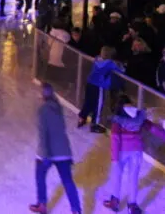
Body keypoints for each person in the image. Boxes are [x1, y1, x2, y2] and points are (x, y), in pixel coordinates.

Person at [102, 94, 165, 214]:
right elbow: (152, 128)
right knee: (133, 178)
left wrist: (114, 157)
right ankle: (132, 205)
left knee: (117, 176)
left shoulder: (118, 118)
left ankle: (114, 202)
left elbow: (116, 138)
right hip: (136, 151)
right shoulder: (139, 116)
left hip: (122, 151)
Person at [28, 82, 82, 214]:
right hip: (64, 151)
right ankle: (76, 210)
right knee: (68, 181)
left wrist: (45, 155)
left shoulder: (43, 110)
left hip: (49, 152)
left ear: (43, 95)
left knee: (40, 175)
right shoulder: (58, 108)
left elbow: (44, 133)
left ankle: (42, 204)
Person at [78, 46, 124, 133]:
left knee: (88, 102)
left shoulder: (97, 59)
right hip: (99, 86)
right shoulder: (110, 63)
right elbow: (121, 70)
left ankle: (82, 118)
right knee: (98, 106)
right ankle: (95, 124)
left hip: (90, 83)